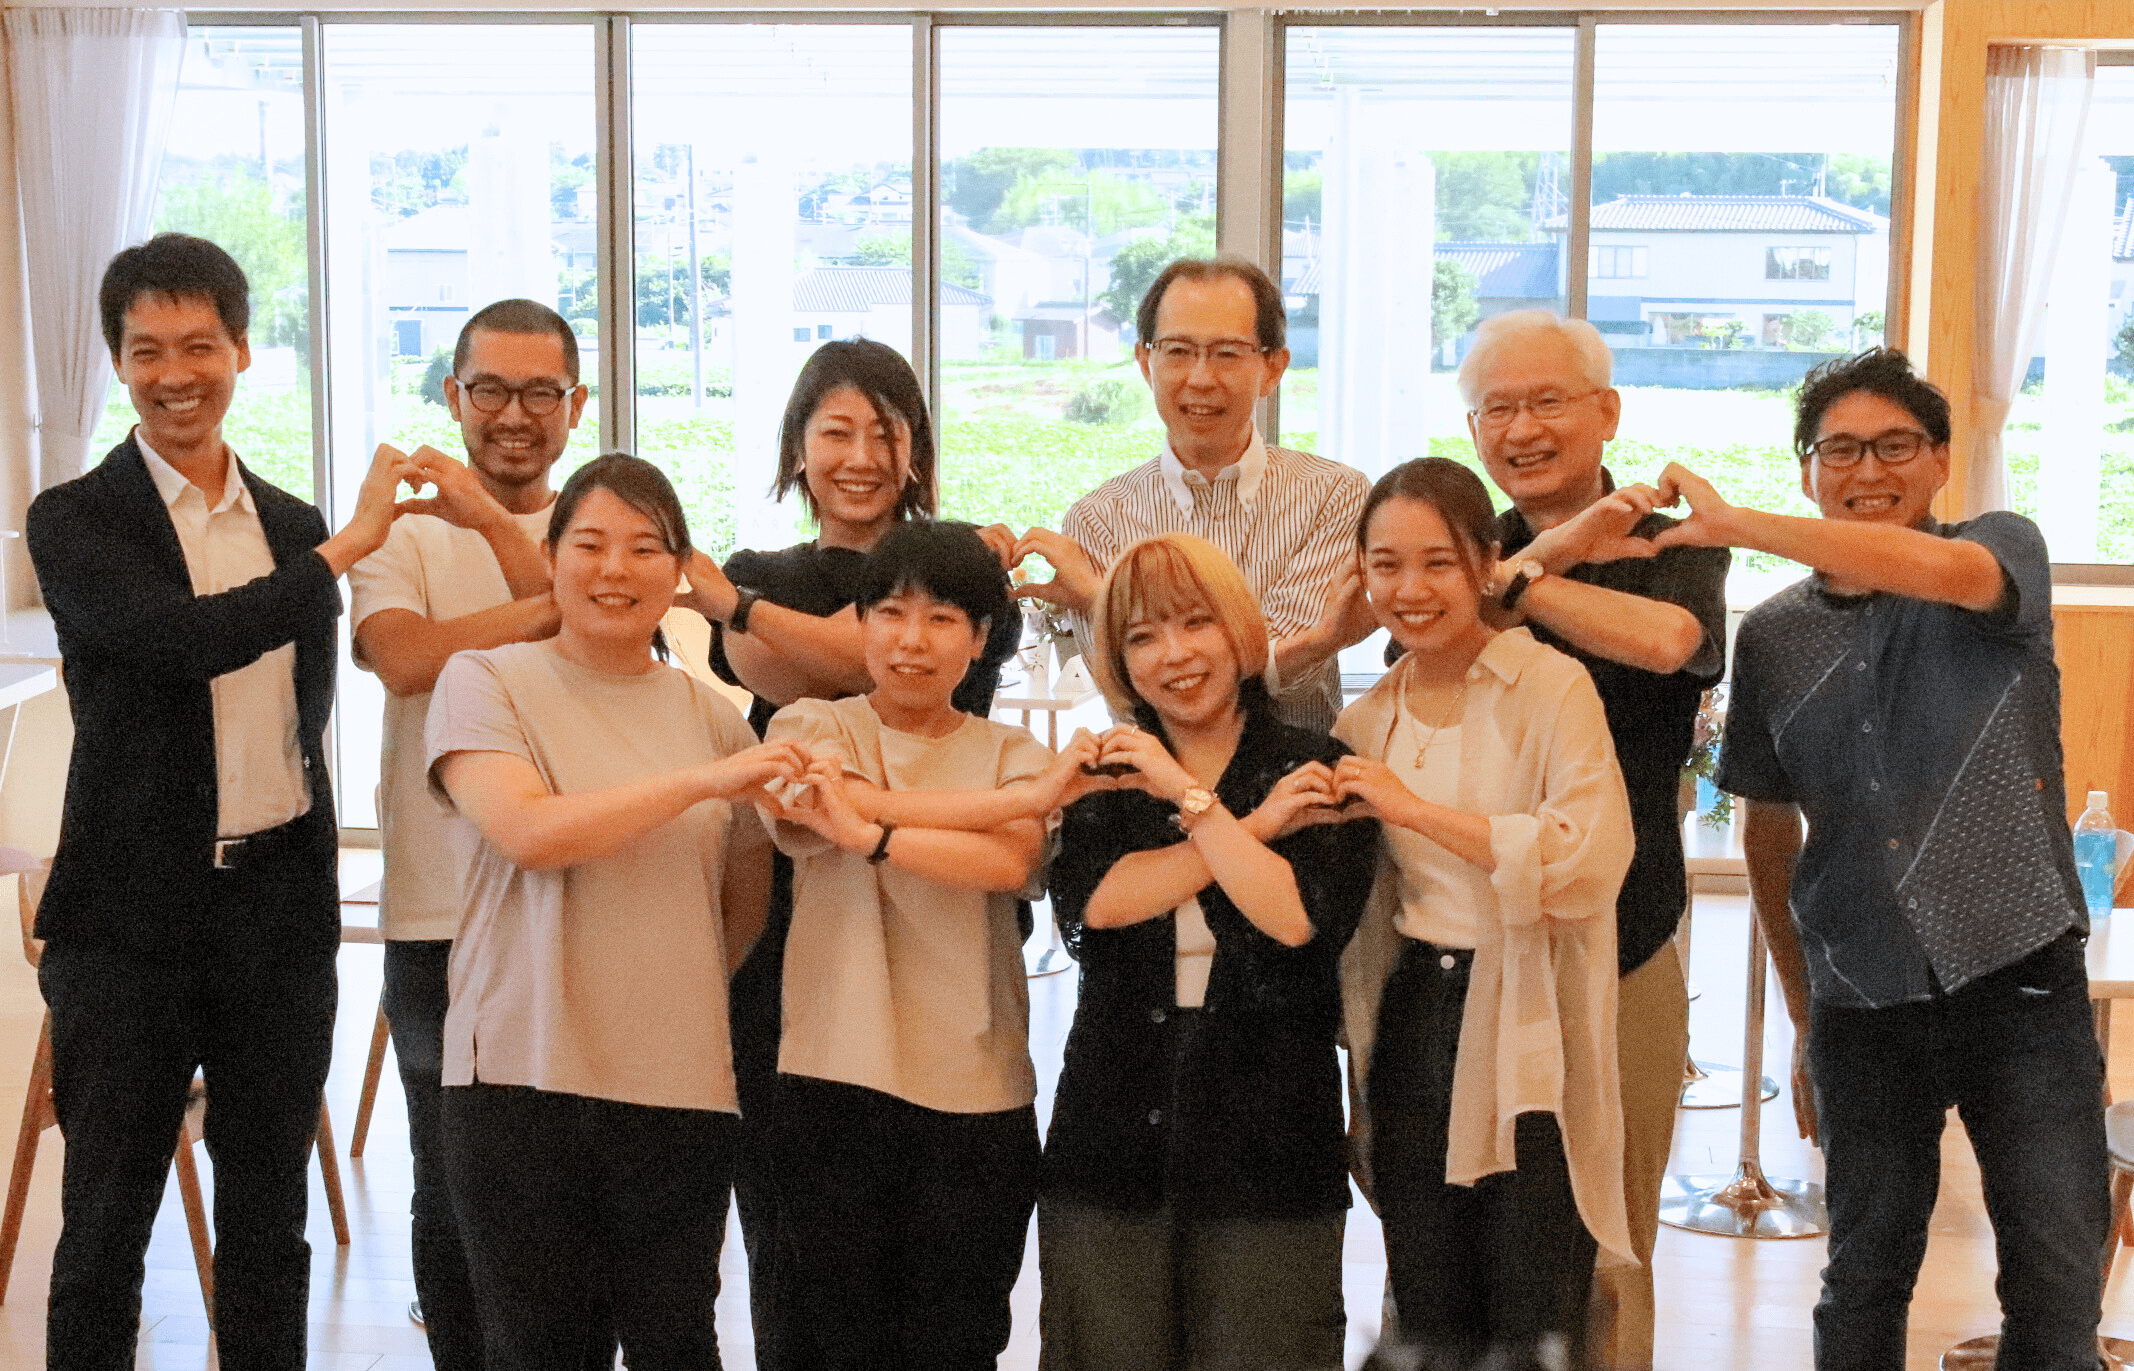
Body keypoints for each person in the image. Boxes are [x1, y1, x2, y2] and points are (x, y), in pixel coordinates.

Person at [1669, 350, 2108, 1371]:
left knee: (2054, 1280)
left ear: (1941, 460)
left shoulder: (1997, 556)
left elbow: (1940, 571)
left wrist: (1736, 525)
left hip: (2019, 978)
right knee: (1863, 1277)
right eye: (1840, 450)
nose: (1867, 470)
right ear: (1807, 470)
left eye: (1895, 446)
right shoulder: (1772, 637)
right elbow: (1768, 830)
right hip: (1862, 998)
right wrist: (1801, 1014)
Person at [25, 232, 418, 1371]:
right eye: (146, 350)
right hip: (126, 926)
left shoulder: (288, 525)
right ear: (118, 363)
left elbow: (301, 714)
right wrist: (347, 551)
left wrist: (328, 551)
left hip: (276, 919)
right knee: (104, 1229)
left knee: (268, 1222)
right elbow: (181, 641)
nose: (174, 374)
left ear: (241, 350)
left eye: (199, 345)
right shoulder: (75, 519)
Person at [425, 453, 807, 1370]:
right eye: (590, 544)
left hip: (679, 1086)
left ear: (679, 572)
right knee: (538, 1348)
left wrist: (665, 988)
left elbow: (741, 904)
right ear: (550, 557)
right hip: (519, 1074)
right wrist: (701, 782)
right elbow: (528, 830)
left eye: (645, 548)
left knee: (678, 1342)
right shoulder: (484, 679)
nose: (615, 570)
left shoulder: (714, 720)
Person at [682, 340, 1018, 1371]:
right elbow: (797, 671)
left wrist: (730, 603)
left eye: (887, 431)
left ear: (917, 450)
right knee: (799, 1250)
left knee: (945, 1275)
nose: (862, 455)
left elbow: (850, 655)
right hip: (797, 916)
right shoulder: (768, 569)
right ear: (798, 446)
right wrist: (741, 607)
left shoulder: (949, 569)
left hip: (944, 911)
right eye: (836, 430)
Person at [1448, 310, 1730, 1371]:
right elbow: (1428, 640)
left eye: (1546, 402)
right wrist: (1522, 563)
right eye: (1497, 409)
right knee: (1467, 1228)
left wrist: (1521, 580)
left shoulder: (1667, 538)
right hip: (1472, 934)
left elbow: (1670, 642)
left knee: (1610, 1239)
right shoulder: (1461, 542)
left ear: (1605, 410)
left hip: (1624, 935)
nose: (1521, 429)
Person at [1039, 532, 1379, 1371]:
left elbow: (1294, 917)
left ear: (1239, 630)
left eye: (1197, 623)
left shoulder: (1316, 765)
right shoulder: (1106, 770)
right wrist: (1247, 824)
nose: (1175, 654)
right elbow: (1101, 904)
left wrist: (1188, 800)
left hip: (1272, 1133)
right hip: (1112, 1125)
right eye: (1143, 636)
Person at [760, 519, 1093, 1371]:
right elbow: (812, 804)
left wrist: (867, 829)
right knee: (839, 1343)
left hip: (975, 1086)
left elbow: (1009, 860)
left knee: (958, 1342)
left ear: (980, 639)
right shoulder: (810, 723)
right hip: (834, 1075)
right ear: (861, 623)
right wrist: (1015, 803)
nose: (913, 639)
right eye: (892, 612)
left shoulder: (1012, 749)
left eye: (943, 618)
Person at [1333, 457, 1636, 1369]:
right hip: (1415, 1010)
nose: (1411, 589)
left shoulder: (1551, 686)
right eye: (1386, 565)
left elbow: (1587, 857)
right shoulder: (1366, 721)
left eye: (1438, 562)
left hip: (1527, 1007)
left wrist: (1413, 809)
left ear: (1487, 561)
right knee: (1427, 1296)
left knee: (1533, 1299)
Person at [348, 297, 595, 1370]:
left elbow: (606, 650)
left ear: (576, 404)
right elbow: (407, 660)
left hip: (584, 903)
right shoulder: (399, 533)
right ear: (452, 396)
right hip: (437, 914)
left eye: (540, 391)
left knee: (573, 1187)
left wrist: (499, 533)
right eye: (489, 388)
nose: (513, 414)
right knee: (449, 1188)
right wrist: (554, 610)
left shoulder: (603, 523)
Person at [994, 255, 1375, 733]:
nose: (1199, 378)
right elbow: (1130, 695)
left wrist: (1101, 598)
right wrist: (1300, 646)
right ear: (1145, 362)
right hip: (1152, 777)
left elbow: (1290, 681)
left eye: (1227, 353)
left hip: (1303, 774)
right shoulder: (1099, 519)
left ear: (1273, 368)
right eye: (1177, 351)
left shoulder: (1333, 495)